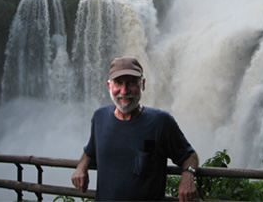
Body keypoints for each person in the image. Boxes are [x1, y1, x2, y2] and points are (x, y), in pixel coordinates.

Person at [72, 56, 199, 201]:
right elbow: (90, 151)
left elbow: (189, 156)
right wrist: (81, 167)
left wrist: (188, 175)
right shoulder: (99, 117)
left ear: (143, 84)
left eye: (131, 83)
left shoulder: (161, 122)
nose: (124, 91)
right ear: (109, 86)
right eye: (118, 83)